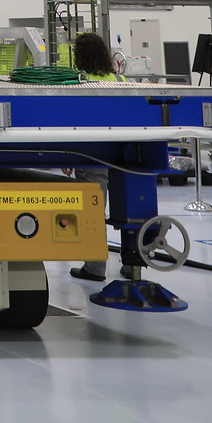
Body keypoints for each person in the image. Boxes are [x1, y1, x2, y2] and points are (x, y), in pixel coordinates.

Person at [68, 30, 124, 280]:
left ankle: (95, 267)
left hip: (93, 156)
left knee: (93, 212)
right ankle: (131, 263)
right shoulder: (118, 80)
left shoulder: (80, 82)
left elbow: (74, 123)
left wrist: (68, 156)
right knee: (126, 211)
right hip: (121, 156)